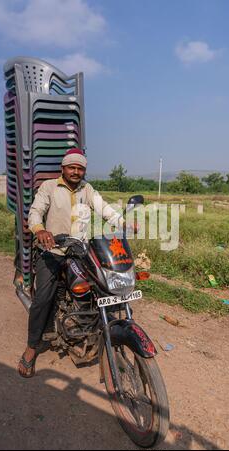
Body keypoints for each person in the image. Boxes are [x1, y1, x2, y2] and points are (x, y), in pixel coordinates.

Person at [18, 148, 136, 378]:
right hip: (52, 251)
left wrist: (123, 222)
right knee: (43, 298)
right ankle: (31, 348)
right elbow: (35, 212)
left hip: (79, 251)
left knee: (101, 284)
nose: (76, 171)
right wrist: (40, 230)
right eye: (72, 167)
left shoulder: (87, 189)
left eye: (80, 168)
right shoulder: (49, 187)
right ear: (63, 168)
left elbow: (104, 209)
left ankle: (95, 325)